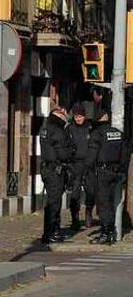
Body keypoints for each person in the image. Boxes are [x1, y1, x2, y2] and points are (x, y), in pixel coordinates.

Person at [86, 111, 129, 245]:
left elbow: (91, 157)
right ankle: (110, 231)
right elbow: (125, 154)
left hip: (103, 172)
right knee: (112, 202)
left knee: (103, 203)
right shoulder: (117, 133)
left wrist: (86, 172)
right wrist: (122, 171)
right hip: (116, 172)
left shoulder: (97, 134)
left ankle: (107, 232)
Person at [40, 107, 75, 244]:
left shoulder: (46, 128)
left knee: (52, 201)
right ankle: (51, 232)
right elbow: (63, 153)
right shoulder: (58, 131)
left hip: (47, 169)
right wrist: (71, 151)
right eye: (65, 114)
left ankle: (51, 231)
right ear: (60, 116)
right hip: (55, 170)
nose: (66, 117)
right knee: (54, 203)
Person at [66, 104, 94, 230]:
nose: (78, 119)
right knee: (75, 192)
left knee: (91, 190)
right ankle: (75, 218)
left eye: (80, 116)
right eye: (76, 116)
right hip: (75, 164)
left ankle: (88, 213)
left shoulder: (90, 127)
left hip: (89, 164)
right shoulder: (69, 128)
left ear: (84, 116)